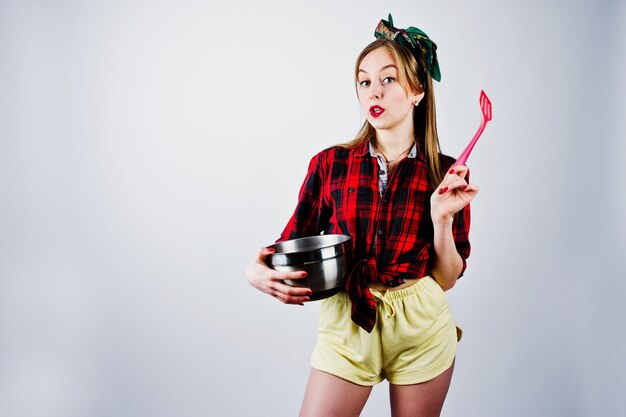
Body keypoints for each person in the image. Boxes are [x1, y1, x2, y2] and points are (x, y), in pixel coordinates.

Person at [246, 14, 478, 417]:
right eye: (365, 80)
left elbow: (446, 278)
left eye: (389, 79)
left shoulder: (447, 174)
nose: (375, 90)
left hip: (421, 323)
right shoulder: (329, 164)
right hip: (348, 318)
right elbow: (287, 245)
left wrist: (442, 218)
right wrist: (255, 271)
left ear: (417, 90)